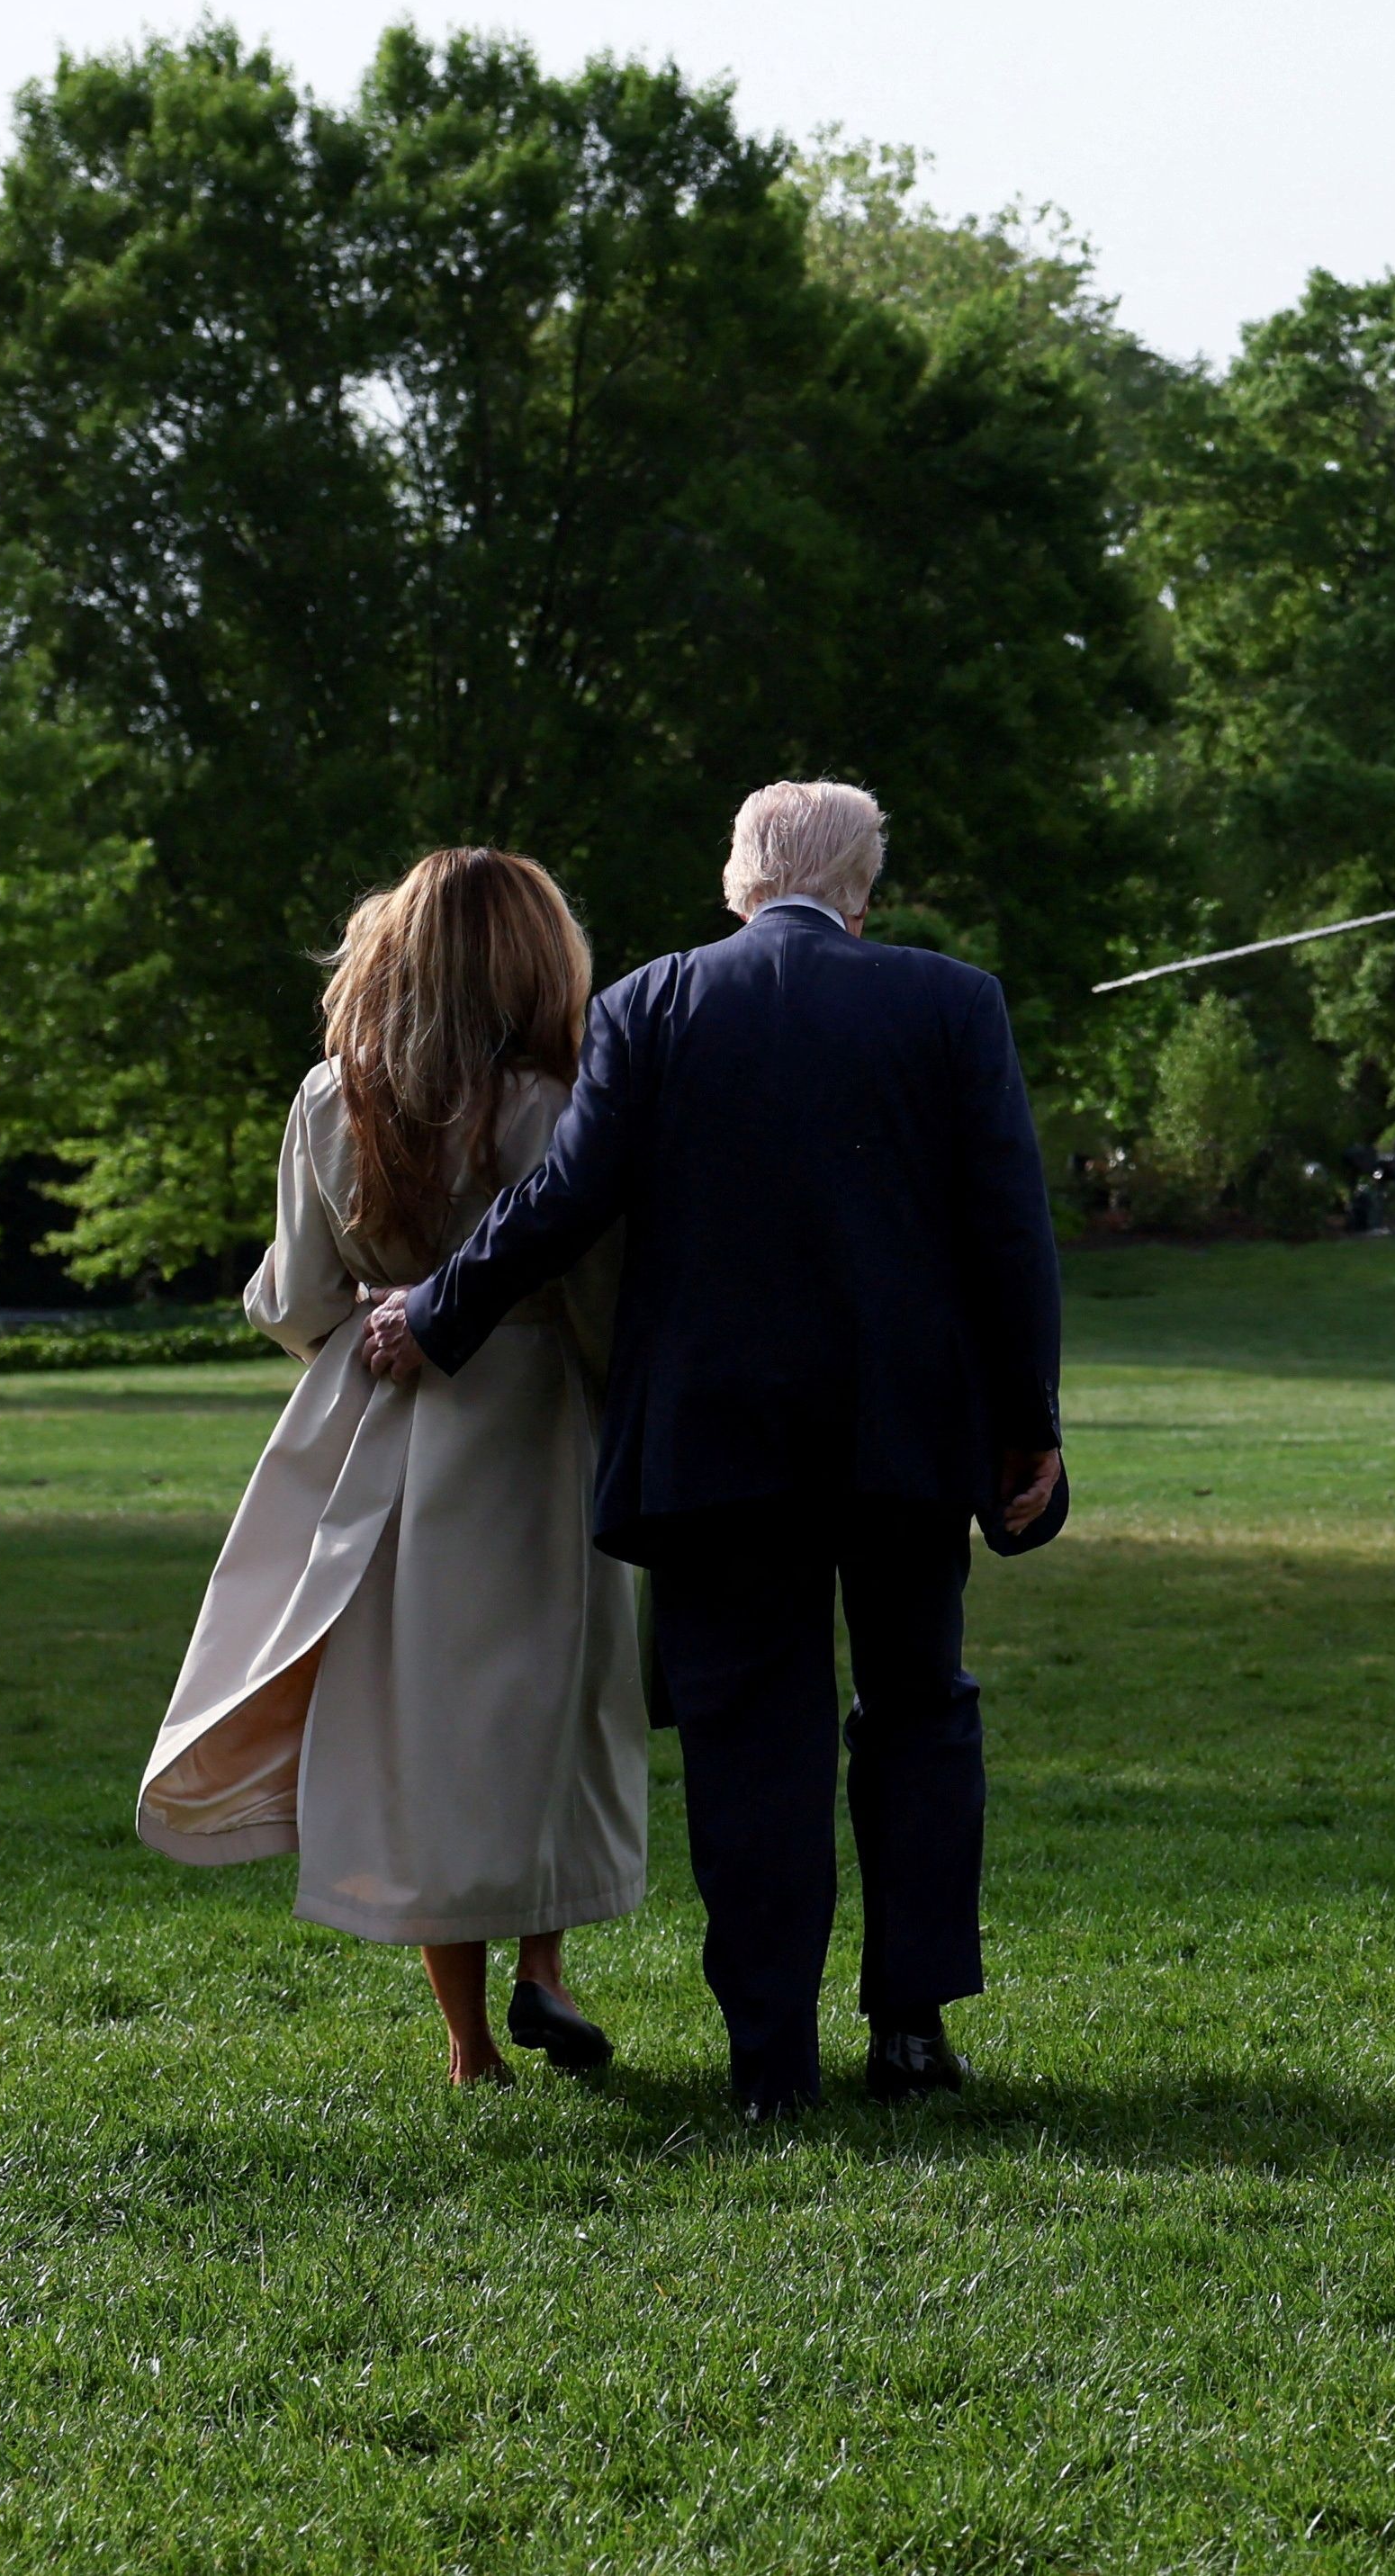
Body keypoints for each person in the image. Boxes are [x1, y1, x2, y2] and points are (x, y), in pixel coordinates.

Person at [362, 780, 1066, 2121]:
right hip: (911, 1436)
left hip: (716, 1441)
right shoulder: (952, 1001)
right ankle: (910, 2031)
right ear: (863, 889)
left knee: (753, 1745)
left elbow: (563, 1200)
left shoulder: (651, 1003)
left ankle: (770, 2063)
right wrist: (1026, 1424)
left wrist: (435, 1312)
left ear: (736, 881)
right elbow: (1008, 1231)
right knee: (920, 1713)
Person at [137, 848, 643, 2089]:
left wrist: (363, 1324)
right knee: (549, 1701)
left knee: (423, 1716)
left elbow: (298, 1293)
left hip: (382, 1418)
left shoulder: (334, 1099)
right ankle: (545, 1963)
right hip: (529, 1422)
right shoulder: (553, 1101)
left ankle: (471, 2044)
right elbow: (598, 1289)